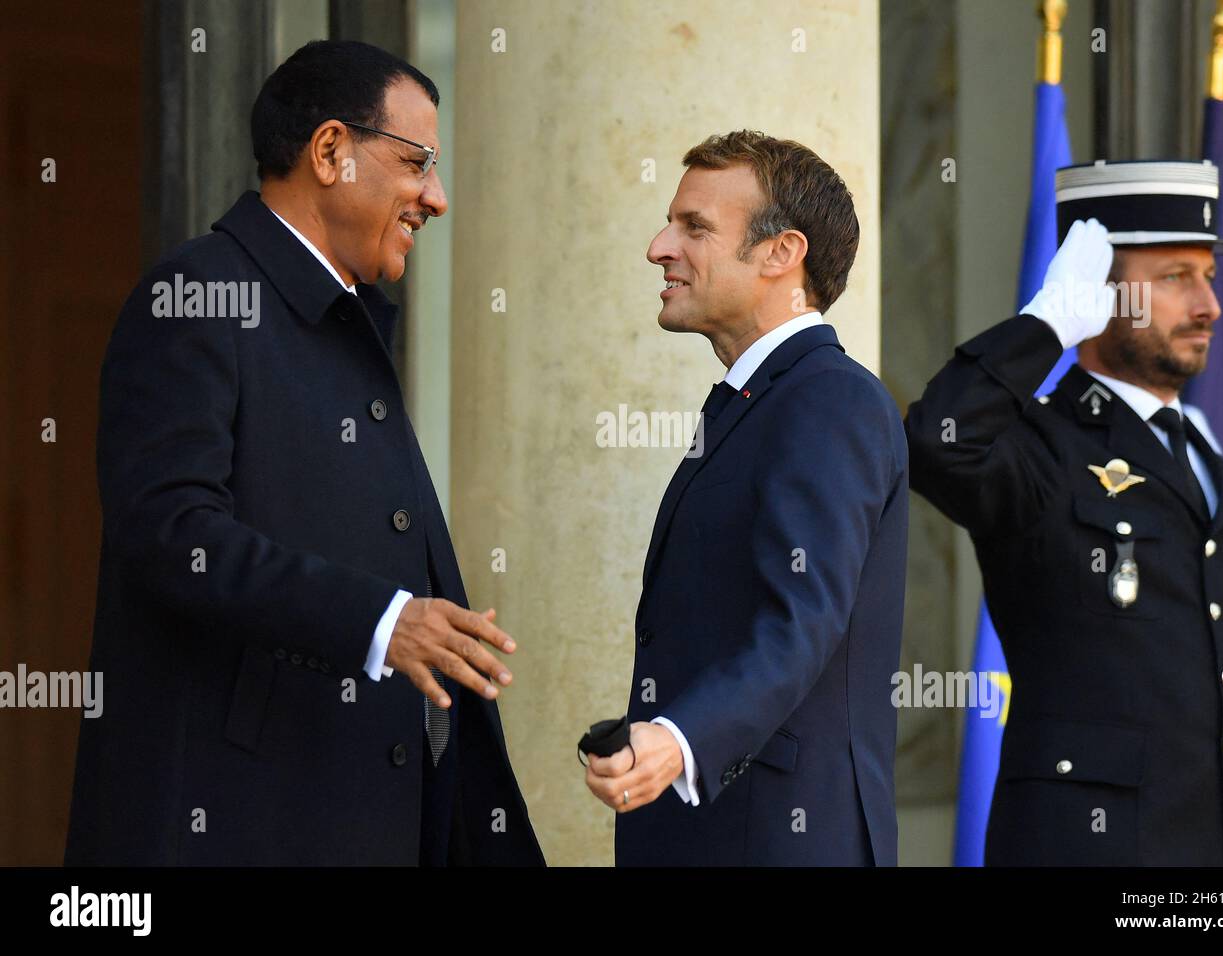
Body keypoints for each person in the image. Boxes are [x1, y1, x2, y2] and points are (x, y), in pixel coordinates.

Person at [65, 40, 544, 866]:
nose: (436, 196)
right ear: (330, 151)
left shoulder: (345, 318)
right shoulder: (200, 296)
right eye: (418, 162)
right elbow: (171, 533)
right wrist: (382, 620)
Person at [906, 160, 1223, 865]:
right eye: (1175, 277)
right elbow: (935, 443)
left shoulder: (1209, 463)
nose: (1209, 305)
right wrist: (1044, 323)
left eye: (1207, 275)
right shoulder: (1042, 447)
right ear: (1097, 290)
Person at [585, 131, 909, 866]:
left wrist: (677, 740)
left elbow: (802, 619)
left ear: (779, 254)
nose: (658, 246)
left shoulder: (830, 399)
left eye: (694, 227)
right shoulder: (758, 400)